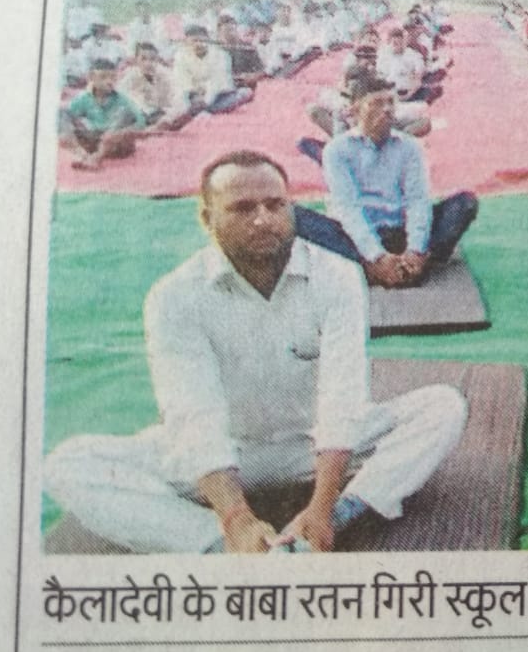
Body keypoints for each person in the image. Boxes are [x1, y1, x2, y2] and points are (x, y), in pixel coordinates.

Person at [43, 151, 468, 553]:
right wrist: (236, 519)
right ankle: (225, 545)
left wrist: (323, 508)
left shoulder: (336, 275)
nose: (264, 220)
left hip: (311, 446)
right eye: (243, 208)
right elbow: (195, 416)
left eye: (275, 205)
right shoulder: (174, 296)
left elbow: (343, 397)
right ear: (207, 219)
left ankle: (343, 515)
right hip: (228, 455)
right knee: (69, 464)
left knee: (442, 407)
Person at [297, 77, 479, 288]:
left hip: (400, 232)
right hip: (355, 239)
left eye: (390, 102)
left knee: (464, 203)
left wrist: (415, 250)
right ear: (354, 110)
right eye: (376, 103)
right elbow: (348, 208)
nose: (386, 110)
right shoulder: (336, 150)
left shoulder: (409, 147)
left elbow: (417, 201)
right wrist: (376, 256)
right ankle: (384, 268)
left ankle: (407, 265)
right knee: (295, 217)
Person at [59, 58, 147, 170]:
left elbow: (141, 122)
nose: (109, 81)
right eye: (103, 77)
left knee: (125, 114)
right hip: (94, 139)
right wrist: (79, 125)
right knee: (62, 114)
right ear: (91, 77)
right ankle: (83, 155)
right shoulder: (84, 98)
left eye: (112, 77)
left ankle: (96, 158)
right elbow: (71, 116)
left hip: (116, 143)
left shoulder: (122, 99)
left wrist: (121, 133)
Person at [173, 25, 254, 116]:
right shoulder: (180, 57)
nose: (199, 44)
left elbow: (218, 82)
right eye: (194, 41)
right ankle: (199, 112)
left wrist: (205, 101)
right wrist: (194, 95)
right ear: (186, 42)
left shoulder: (221, 55)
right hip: (193, 97)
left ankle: (203, 111)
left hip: (218, 95)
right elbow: (182, 81)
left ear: (208, 41)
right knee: (181, 100)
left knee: (245, 93)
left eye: (202, 41)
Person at [117, 42, 192, 130]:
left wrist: (166, 116)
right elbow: (123, 99)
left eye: (152, 59)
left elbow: (178, 99)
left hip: (164, 115)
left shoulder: (166, 74)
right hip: (141, 116)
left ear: (157, 60)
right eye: (143, 59)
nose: (148, 63)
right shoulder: (129, 77)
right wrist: (148, 112)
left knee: (184, 107)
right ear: (136, 60)